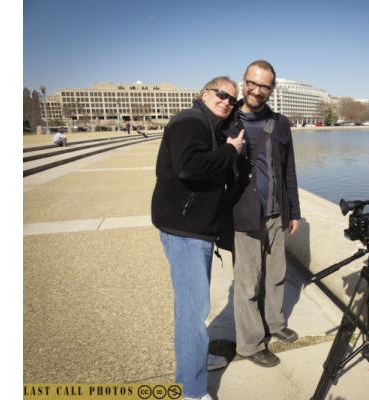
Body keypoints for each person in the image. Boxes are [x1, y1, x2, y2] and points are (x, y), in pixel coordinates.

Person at [151, 76, 245, 400]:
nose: (227, 102)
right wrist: (231, 152)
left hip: (191, 230)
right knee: (192, 312)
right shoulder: (190, 121)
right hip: (185, 232)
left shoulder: (207, 124)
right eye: (221, 95)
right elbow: (189, 166)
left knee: (193, 309)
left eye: (232, 100)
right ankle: (191, 391)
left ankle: (196, 359)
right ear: (204, 93)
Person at [222, 60, 301, 368]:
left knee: (277, 275)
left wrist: (293, 210)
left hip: (276, 213)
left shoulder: (280, 123)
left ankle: (275, 323)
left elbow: (289, 168)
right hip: (244, 214)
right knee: (247, 284)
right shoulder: (226, 120)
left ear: (272, 89)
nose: (255, 90)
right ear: (243, 82)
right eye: (251, 83)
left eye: (263, 85)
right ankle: (250, 343)